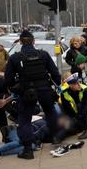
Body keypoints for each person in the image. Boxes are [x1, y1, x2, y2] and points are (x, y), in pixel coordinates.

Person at [4, 30, 61, 159]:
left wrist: (16, 88)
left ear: (20, 42)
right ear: (33, 41)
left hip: (27, 92)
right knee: (50, 112)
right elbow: (55, 73)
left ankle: (28, 149)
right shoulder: (44, 55)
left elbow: (8, 79)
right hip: (45, 89)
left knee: (24, 120)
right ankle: (56, 137)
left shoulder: (15, 58)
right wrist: (55, 86)